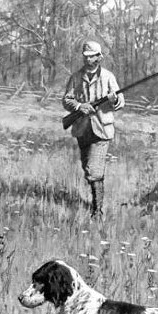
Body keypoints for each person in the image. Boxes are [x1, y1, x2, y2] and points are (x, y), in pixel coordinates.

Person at [62, 40, 124, 218]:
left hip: (102, 129)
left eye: (92, 57)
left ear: (99, 57)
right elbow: (67, 100)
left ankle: (97, 212)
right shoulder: (75, 77)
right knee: (87, 169)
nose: (88, 60)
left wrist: (113, 100)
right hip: (82, 129)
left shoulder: (108, 77)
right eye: (86, 57)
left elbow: (121, 102)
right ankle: (96, 204)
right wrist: (79, 106)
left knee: (94, 169)